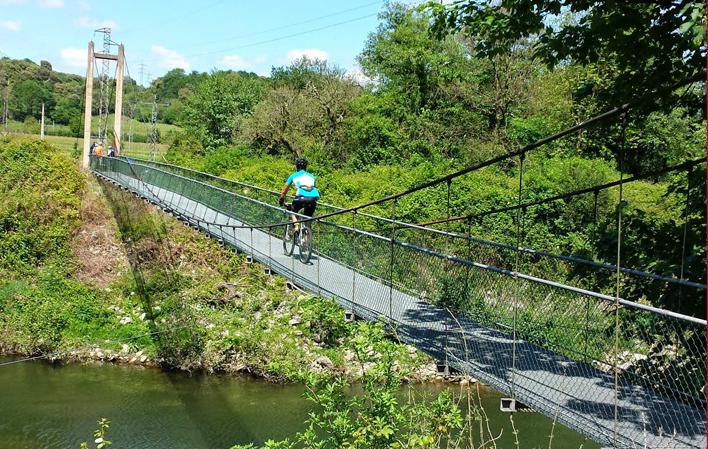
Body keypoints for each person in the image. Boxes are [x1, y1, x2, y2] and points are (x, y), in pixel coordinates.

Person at [278, 158, 320, 226]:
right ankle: (307, 232)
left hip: (301, 198)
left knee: (292, 210)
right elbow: (314, 188)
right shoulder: (312, 176)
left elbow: (284, 190)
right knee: (307, 221)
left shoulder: (293, 175)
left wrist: (281, 199)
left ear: (297, 166)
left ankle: (296, 224)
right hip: (312, 200)